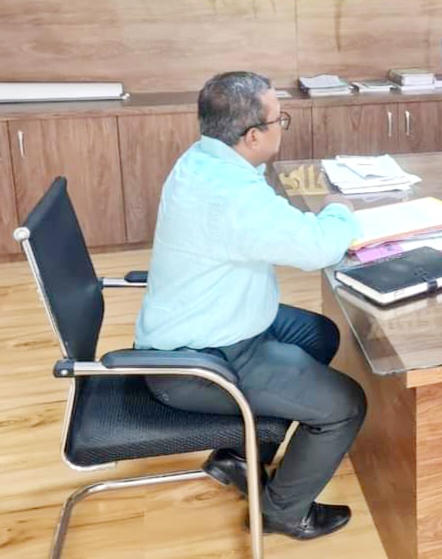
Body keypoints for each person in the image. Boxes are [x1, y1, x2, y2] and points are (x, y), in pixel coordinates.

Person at [135, 71, 366, 541]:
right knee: (346, 405)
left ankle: (239, 455)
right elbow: (318, 248)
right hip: (200, 362)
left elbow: (267, 225)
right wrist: (339, 209)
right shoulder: (231, 196)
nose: (283, 126)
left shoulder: (202, 158)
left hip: (215, 321)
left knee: (321, 335)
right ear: (253, 136)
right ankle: (283, 512)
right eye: (280, 119)